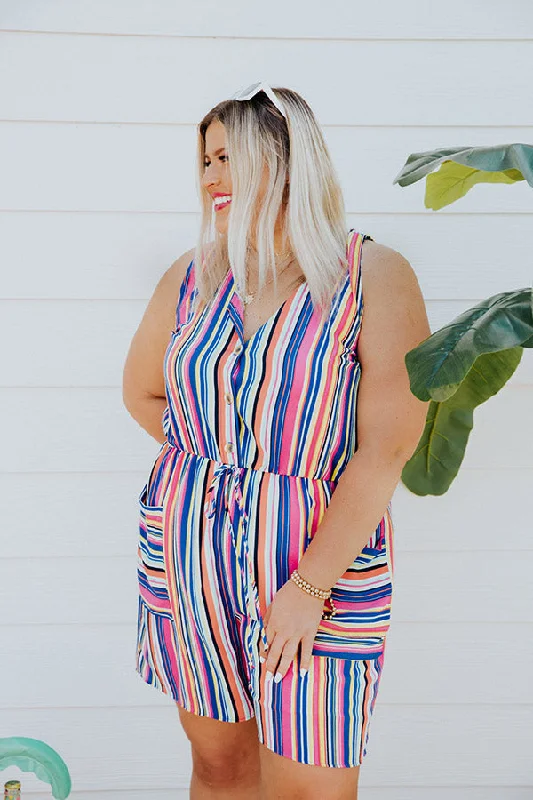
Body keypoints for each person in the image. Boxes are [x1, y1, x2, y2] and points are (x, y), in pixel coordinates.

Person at [123, 83, 431, 800]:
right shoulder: (194, 277)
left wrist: (308, 585)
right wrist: (215, 468)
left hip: (318, 559)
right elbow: (142, 393)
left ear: (288, 160)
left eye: (228, 157)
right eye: (205, 161)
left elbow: (386, 447)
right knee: (219, 768)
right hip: (190, 552)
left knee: (310, 787)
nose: (210, 178)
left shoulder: (372, 277)